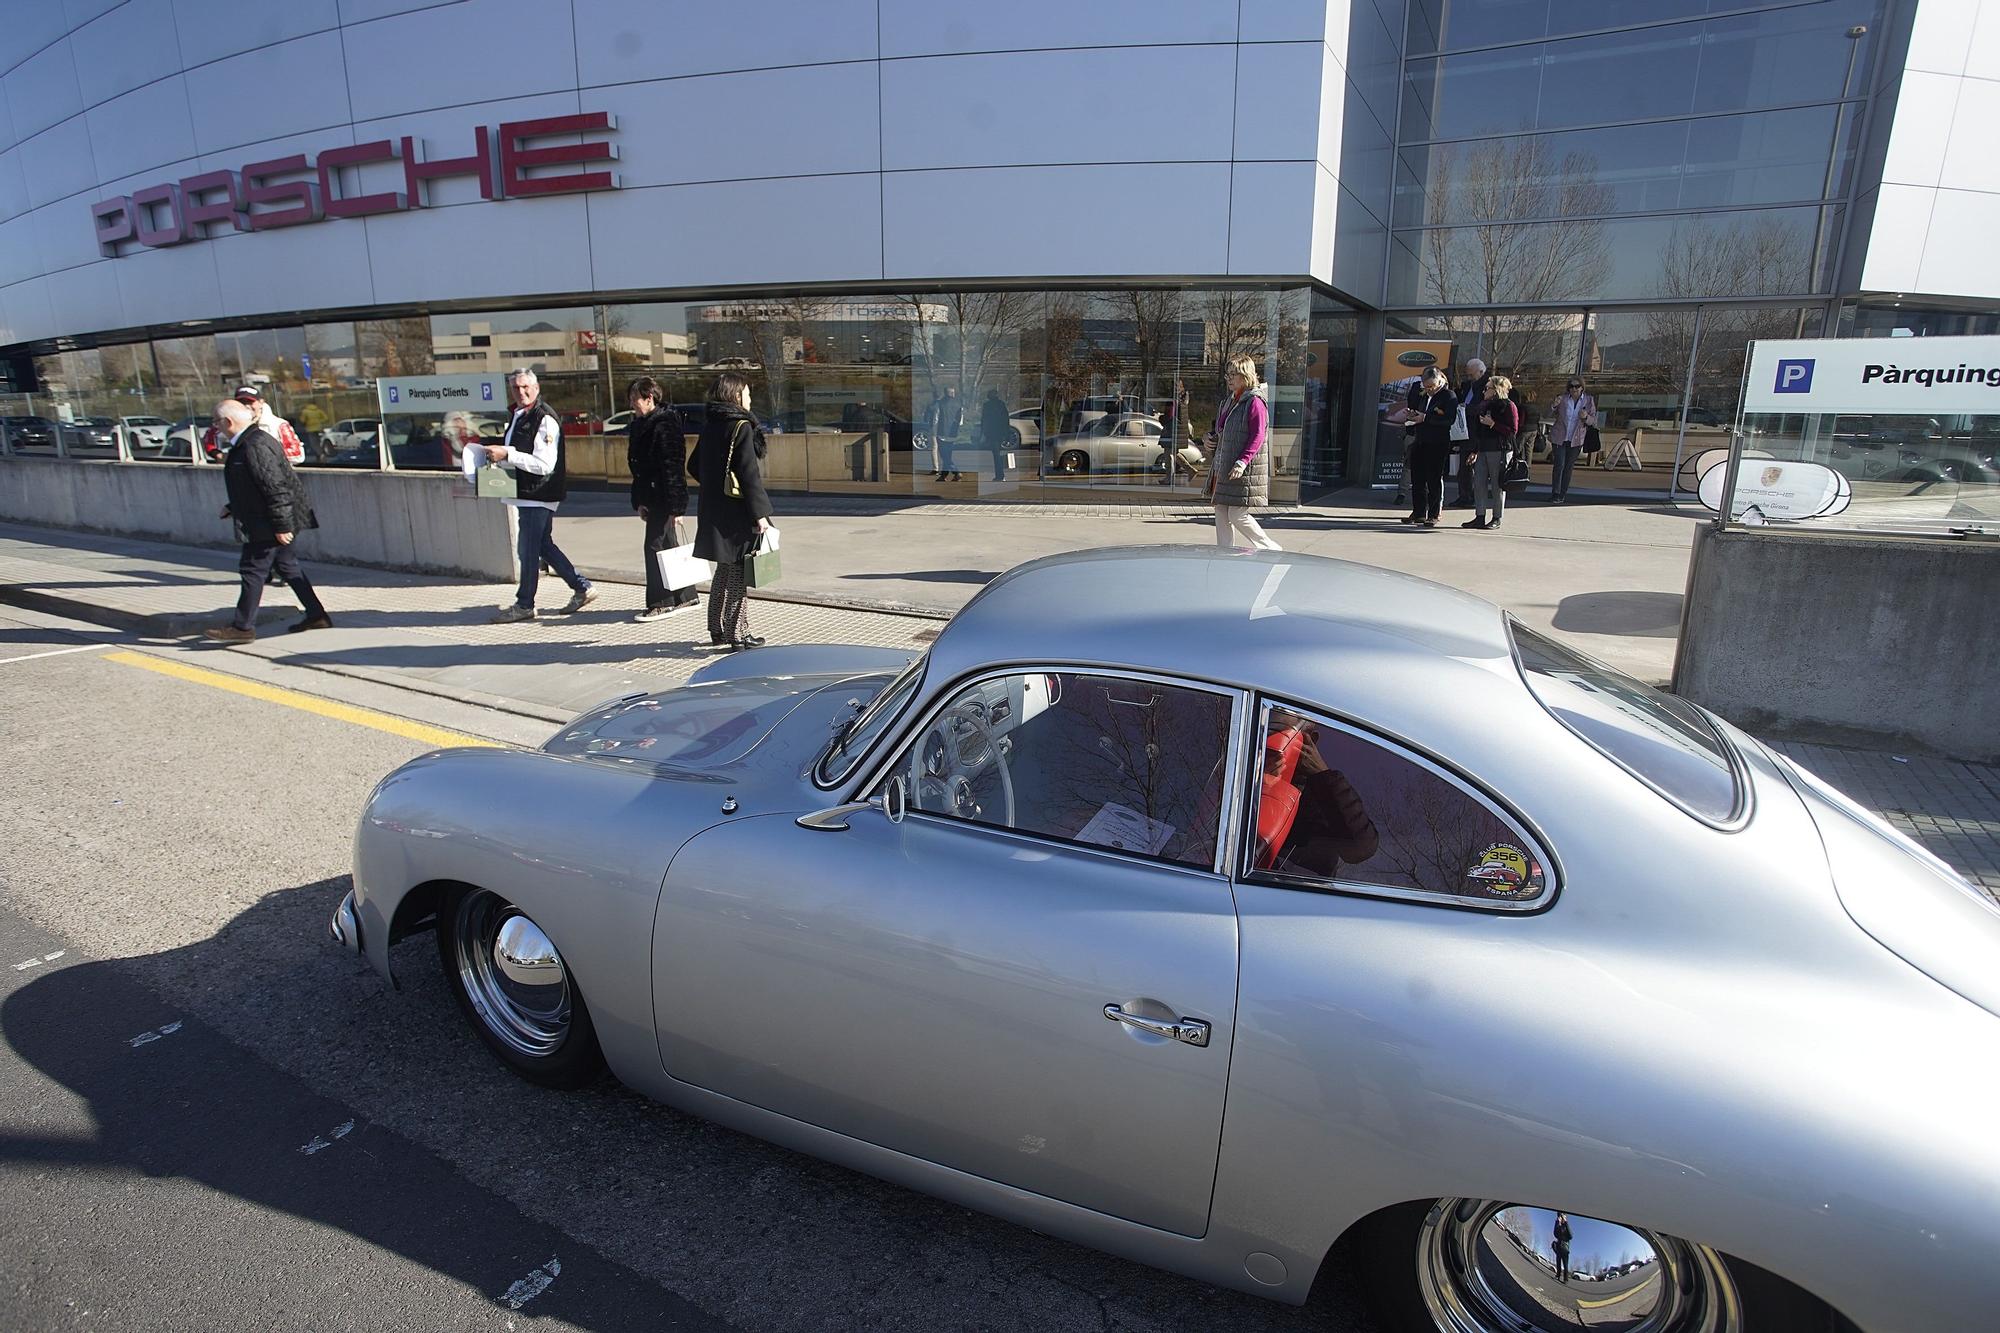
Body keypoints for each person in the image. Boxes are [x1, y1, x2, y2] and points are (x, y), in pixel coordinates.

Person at [202, 399, 330, 642]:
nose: (215, 427)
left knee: (252, 569)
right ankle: (316, 615)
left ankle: (242, 628)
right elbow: (253, 485)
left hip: (270, 522)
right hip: (270, 518)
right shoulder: (248, 442)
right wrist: (233, 506)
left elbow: (277, 487)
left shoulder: (254, 445)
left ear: (228, 422)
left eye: (216, 422)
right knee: (287, 567)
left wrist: (282, 526)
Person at [484, 368, 595, 623]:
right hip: (528, 493)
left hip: (538, 494)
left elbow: (544, 464)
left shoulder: (543, 418)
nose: (521, 392)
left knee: (528, 549)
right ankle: (582, 587)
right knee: (542, 545)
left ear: (536, 388)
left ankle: (525, 604)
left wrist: (507, 454)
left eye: (525, 387)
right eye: (516, 388)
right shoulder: (520, 414)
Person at [689, 372, 775, 651]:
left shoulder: (711, 425)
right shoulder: (741, 426)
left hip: (713, 510)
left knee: (723, 571)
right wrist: (761, 515)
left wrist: (716, 487)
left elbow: (693, 466)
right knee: (739, 571)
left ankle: (717, 629)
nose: (750, 399)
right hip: (737, 513)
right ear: (736, 396)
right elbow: (749, 475)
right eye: (747, 393)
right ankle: (738, 634)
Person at [626, 376, 697, 622]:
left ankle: (661, 601)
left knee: (655, 547)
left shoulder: (664, 424)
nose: (632, 403)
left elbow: (673, 466)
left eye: (635, 398)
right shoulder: (641, 424)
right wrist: (641, 500)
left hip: (664, 496)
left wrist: (676, 507)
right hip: (652, 496)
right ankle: (687, 596)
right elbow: (639, 468)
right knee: (668, 545)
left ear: (650, 398)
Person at [1203, 354, 1280, 550]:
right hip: (1225, 464)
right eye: (1227, 374)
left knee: (1237, 514)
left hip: (1242, 467)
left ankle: (1270, 548)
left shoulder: (1254, 402)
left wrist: (1242, 461)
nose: (1229, 378)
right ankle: (1225, 552)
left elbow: (1258, 435)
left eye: (1233, 374)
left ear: (1246, 375)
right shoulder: (1229, 401)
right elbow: (1221, 431)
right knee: (1220, 510)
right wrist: (1209, 438)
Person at [1402, 366, 1458, 527]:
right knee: (1417, 478)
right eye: (1426, 387)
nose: (1429, 390)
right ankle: (1418, 512)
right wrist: (1412, 415)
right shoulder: (1423, 395)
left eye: (1431, 386)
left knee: (1433, 479)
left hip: (1437, 442)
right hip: (1420, 439)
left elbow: (1449, 420)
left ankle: (1433, 513)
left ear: (1440, 380)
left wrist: (1425, 418)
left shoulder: (1448, 396)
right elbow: (1420, 412)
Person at [1463, 374, 1519, 530]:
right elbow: (1479, 431)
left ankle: (1496, 518)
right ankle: (1479, 516)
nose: (1483, 391)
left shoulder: (1508, 405)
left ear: (1496, 390)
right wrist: (1474, 450)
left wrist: (1493, 424)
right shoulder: (1484, 405)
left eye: (1487, 388)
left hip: (1499, 450)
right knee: (1479, 483)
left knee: (1497, 486)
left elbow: (1512, 430)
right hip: (1483, 449)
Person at [1549, 378, 1596, 504]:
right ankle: (1556, 493)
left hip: (1576, 439)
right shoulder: (1562, 399)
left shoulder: (1588, 400)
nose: (1574, 389)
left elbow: (1593, 420)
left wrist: (1586, 417)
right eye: (1571, 386)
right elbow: (1549, 413)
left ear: (1582, 387)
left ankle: (1562, 493)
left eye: (1577, 386)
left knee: (1568, 467)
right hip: (1560, 437)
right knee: (1559, 465)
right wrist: (1553, 405)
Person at [1452, 358, 1490, 509]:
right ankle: (1464, 496)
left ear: (1481, 372)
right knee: (1464, 468)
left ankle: (1473, 497)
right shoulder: (1468, 385)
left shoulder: (1487, 386)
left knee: (1475, 468)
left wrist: (1466, 409)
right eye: (1467, 374)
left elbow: (1482, 407)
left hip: (1478, 431)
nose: (1469, 377)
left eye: (1471, 374)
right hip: (1464, 430)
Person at [928, 385, 963, 482]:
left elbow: (936, 420)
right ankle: (944, 475)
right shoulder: (958, 404)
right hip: (952, 434)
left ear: (945, 393)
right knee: (948, 455)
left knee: (945, 456)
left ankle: (956, 472)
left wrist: (934, 433)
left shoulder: (940, 404)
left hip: (942, 433)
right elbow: (961, 421)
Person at [978, 387, 1010, 482]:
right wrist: (1007, 435)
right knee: (997, 454)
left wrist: (983, 433)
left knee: (996, 455)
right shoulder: (1001, 404)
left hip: (992, 433)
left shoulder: (987, 405)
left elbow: (984, 420)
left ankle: (1000, 475)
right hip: (1000, 433)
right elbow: (1006, 420)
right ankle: (1000, 475)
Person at [1553, 1212, 1574, 1283]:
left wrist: (1566, 1222)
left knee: (1565, 1265)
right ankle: (1558, 1275)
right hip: (1559, 1247)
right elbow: (1555, 1234)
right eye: (1561, 1217)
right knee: (1558, 1262)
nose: (1561, 1218)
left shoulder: (1566, 1226)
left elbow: (1571, 1236)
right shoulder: (1559, 1226)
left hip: (1565, 1248)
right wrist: (1557, 1222)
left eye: (1563, 1217)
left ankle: (1565, 1279)